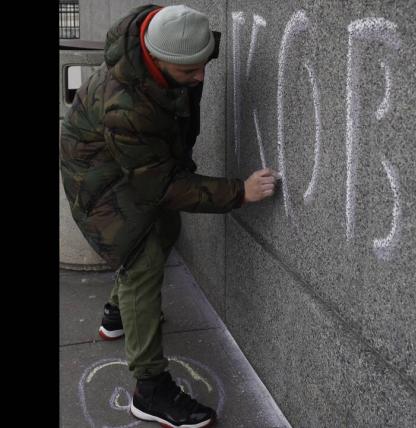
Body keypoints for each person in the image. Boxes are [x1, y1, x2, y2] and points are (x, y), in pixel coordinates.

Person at [59, 4, 276, 427]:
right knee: (142, 256)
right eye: (188, 73)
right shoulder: (126, 105)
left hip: (127, 163)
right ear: (156, 60)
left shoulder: (180, 47)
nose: (200, 78)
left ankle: (117, 315)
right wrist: (238, 192)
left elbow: (173, 138)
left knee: (166, 226)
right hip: (96, 178)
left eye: (202, 66)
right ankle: (150, 389)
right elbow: (158, 186)